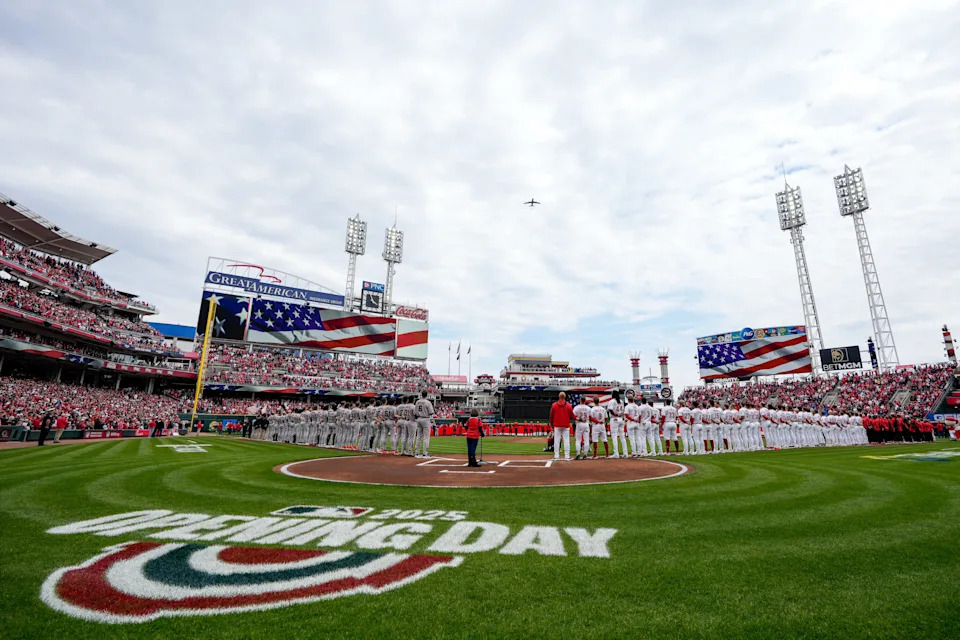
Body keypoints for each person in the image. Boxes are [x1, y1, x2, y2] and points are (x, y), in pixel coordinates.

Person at [548, 391, 575, 461]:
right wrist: (577, 418)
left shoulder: (554, 405)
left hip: (557, 425)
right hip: (566, 425)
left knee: (556, 441)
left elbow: (551, 416)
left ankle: (556, 456)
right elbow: (572, 416)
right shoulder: (569, 405)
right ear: (565, 397)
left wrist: (552, 425)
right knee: (566, 441)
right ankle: (567, 456)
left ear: (559, 397)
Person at [414, 391, 435, 459]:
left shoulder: (417, 402)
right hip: (425, 419)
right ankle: (425, 453)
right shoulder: (428, 402)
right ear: (427, 395)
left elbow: (415, 412)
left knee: (419, 436)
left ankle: (417, 452)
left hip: (419, 419)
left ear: (421, 395)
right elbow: (431, 412)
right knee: (426, 437)